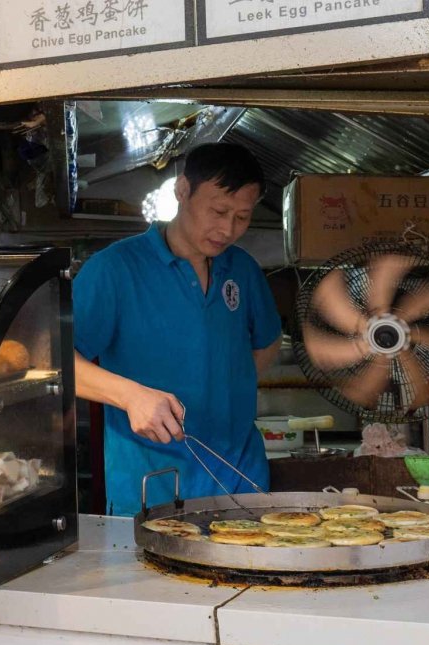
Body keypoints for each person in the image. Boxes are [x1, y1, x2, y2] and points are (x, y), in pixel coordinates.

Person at [72, 143, 282, 515]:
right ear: (182, 190)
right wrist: (130, 396)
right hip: (152, 485)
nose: (228, 229)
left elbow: (267, 342)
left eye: (243, 217)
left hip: (241, 478)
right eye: (218, 211)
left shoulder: (243, 269)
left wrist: (225, 391)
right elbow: (59, 364)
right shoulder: (114, 269)